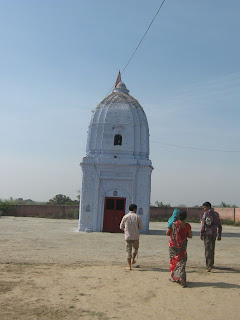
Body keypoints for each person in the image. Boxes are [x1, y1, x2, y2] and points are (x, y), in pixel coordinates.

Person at [166, 209, 192, 287]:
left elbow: (167, 233)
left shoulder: (173, 224)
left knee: (174, 261)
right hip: (182, 247)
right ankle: (182, 278)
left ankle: (175, 277)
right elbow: (190, 236)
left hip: (173, 246)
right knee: (182, 262)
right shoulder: (187, 226)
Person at [120, 204, 143, 270]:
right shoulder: (137, 217)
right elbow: (141, 227)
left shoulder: (125, 217)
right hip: (136, 236)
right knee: (135, 248)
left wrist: (126, 229)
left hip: (128, 236)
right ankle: (133, 259)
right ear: (135, 209)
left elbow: (121, 227)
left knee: (128, 250)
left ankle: (129, 266)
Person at [200, 201, 222, 272]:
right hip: (214, 234)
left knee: (207, 249)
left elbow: (203, 225)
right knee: (212, 249)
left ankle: (209, 265)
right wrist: (219, 234)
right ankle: (211, 263)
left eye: (204, 208)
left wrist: (201, 233)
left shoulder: (206, 214)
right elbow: (219, 225)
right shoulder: (216, 214)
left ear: (208, 207)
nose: (204, 209)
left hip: (207, 234)